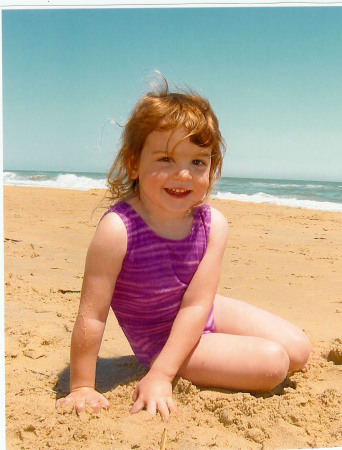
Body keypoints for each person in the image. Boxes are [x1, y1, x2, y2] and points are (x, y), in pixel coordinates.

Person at [56, 77, 311, 420]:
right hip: (161, 339)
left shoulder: (213, 224)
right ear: (134, 164)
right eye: (164, 159)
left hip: (201, 311)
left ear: (212, 167)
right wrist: (84, 385)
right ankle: (175, 363)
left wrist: (202, 322)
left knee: (299, 349)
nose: (183, 175)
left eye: (197, 162)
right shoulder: (119, 230)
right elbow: (92, 314)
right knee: (274, 363)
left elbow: (196, 304)